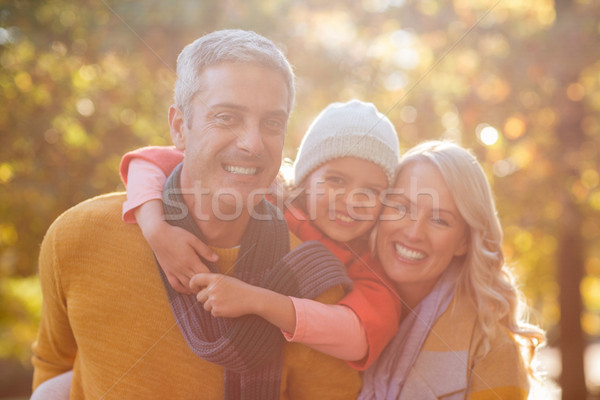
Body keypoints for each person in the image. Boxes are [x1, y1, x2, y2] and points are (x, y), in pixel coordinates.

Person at [31, 29, 362, 399]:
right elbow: (53, 363)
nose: (252, 143)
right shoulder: (78, 237)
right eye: (227, 117)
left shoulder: (311, 288)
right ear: (179, 127)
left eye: (271, 123)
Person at [117, 99, 403, 369]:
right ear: (305, 179)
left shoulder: (367, 265)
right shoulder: (265, 194)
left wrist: (258, 300)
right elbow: (149, 161)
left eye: (371, 191)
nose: (352, 199)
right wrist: (156, 230)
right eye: (336, 180)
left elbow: (358, 337)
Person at [359, 140, 545, 399]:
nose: (413, 233)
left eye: (439, 220)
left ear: (464, 241)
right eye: (401, 207)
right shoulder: (336, 301)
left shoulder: (492, 349)